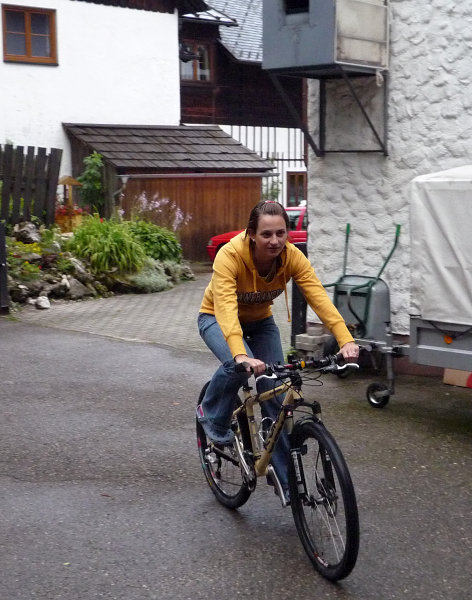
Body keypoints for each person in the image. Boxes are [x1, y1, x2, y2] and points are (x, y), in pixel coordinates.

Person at [196, 200, 359, 501]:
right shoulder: (230, 255)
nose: (274, 241)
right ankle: (211, 413)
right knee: (237, 366)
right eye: (267, 234)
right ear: (252, 234)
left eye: (280, 233)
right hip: (215, 318)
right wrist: (241, 354)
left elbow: (318, 297)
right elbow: (227, 309)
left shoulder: (292, 257)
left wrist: (345, 339)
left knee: (275, 393)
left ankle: (286, 480)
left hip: (261, 323)